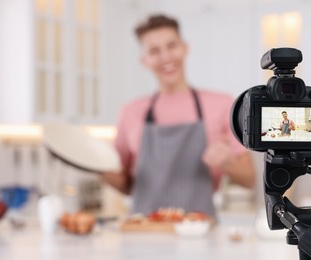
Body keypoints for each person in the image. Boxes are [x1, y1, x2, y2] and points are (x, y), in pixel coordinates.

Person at [101, 14, 256, 218]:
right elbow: (127, 185)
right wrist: (97, 167)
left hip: (199, 229)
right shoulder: (130, 111)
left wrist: (227, 161)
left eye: (171, 45)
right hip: (143, 231)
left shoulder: (222, 104)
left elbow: (250, 179)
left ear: (185, 47)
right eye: (154, 51)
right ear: (144, 60)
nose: (165, 57)